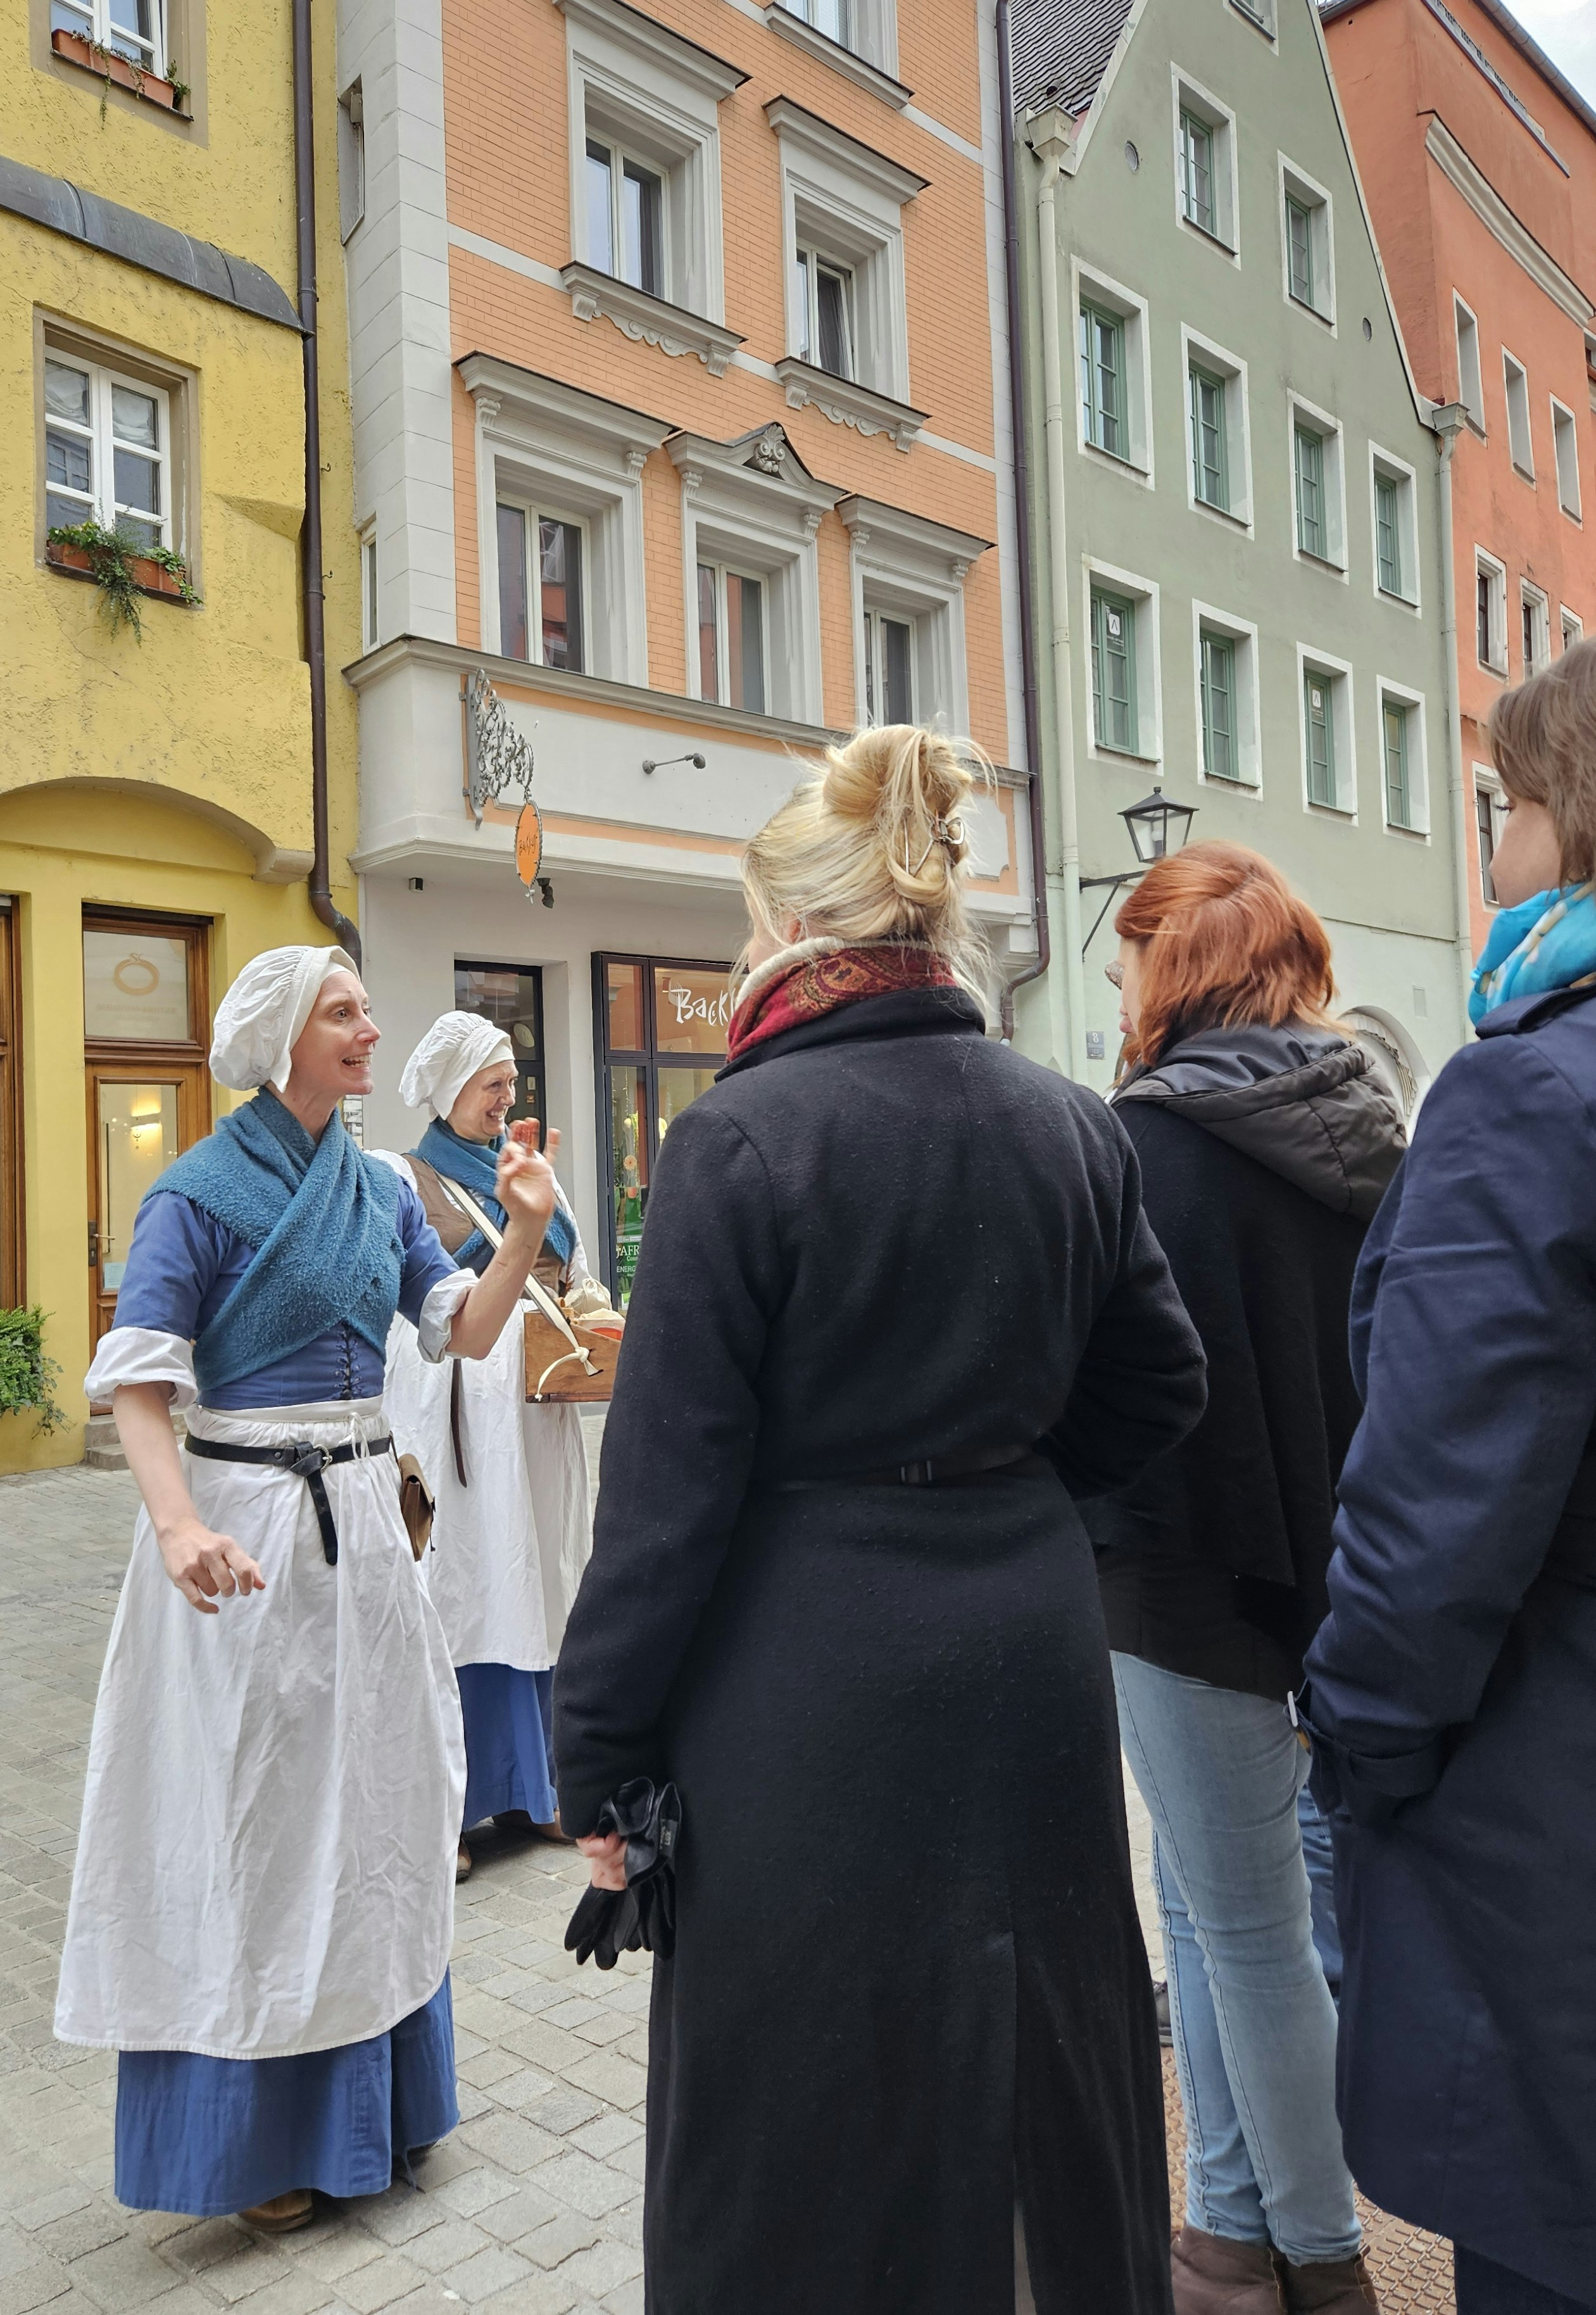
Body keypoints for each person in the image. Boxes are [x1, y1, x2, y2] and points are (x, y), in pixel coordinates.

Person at [553, 724, 1209, 2314]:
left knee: (802, 2088)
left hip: (811, 1673)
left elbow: (664, 1503)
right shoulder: (1067, 1116)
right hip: (1028, 1651)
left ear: (794, 928)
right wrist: (1023, 1493)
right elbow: (1161, 1385)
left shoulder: (737, 1141)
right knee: (1045, 2029)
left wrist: (597, 1762)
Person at [54, 945, 562, 2232]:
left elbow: (467, 1329)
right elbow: (140, 1386)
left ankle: (381, 2112)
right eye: (344, 1012)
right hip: (248, 1534)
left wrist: (518, 1227)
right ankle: (255, 2144)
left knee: (379, 1809)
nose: (369, 1029)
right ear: (283, 1038)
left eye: (367, 1010)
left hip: (364, 1535)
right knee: (262, 1822)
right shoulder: (194, 1197)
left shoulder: (377, 1185)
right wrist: (174, 1527)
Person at [1303, 635, 1596, 2315]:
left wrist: (1357, 1750)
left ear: (1575, 823)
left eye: (1506, 806)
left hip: (1551, 1825)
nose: (1491, 853)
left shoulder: (1525, 1098)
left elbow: (1432, 1518)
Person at [1093, 845, 1404, 2315]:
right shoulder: (1358, 1115)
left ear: (1174, 969)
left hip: (1179, 1568)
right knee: (1232, 1912)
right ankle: (1226, 2227)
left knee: (1248, 1929)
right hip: (1339, 1558)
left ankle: (1323, 2260)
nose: (1115, 998)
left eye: (1125, 967)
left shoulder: (1143, 1144)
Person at [377, 1011, 596, 1880]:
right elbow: (415, 1308)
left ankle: (540, 1790)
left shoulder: (533, 1172)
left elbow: (573, 1275)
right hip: (460, 1416)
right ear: (448, 1089)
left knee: (539, 1580)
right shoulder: (402, 1175)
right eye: (490, 1083)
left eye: (511, 1081)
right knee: (462, 1591)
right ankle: (452, 1812)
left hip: (536, 1414)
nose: (507, 1098)